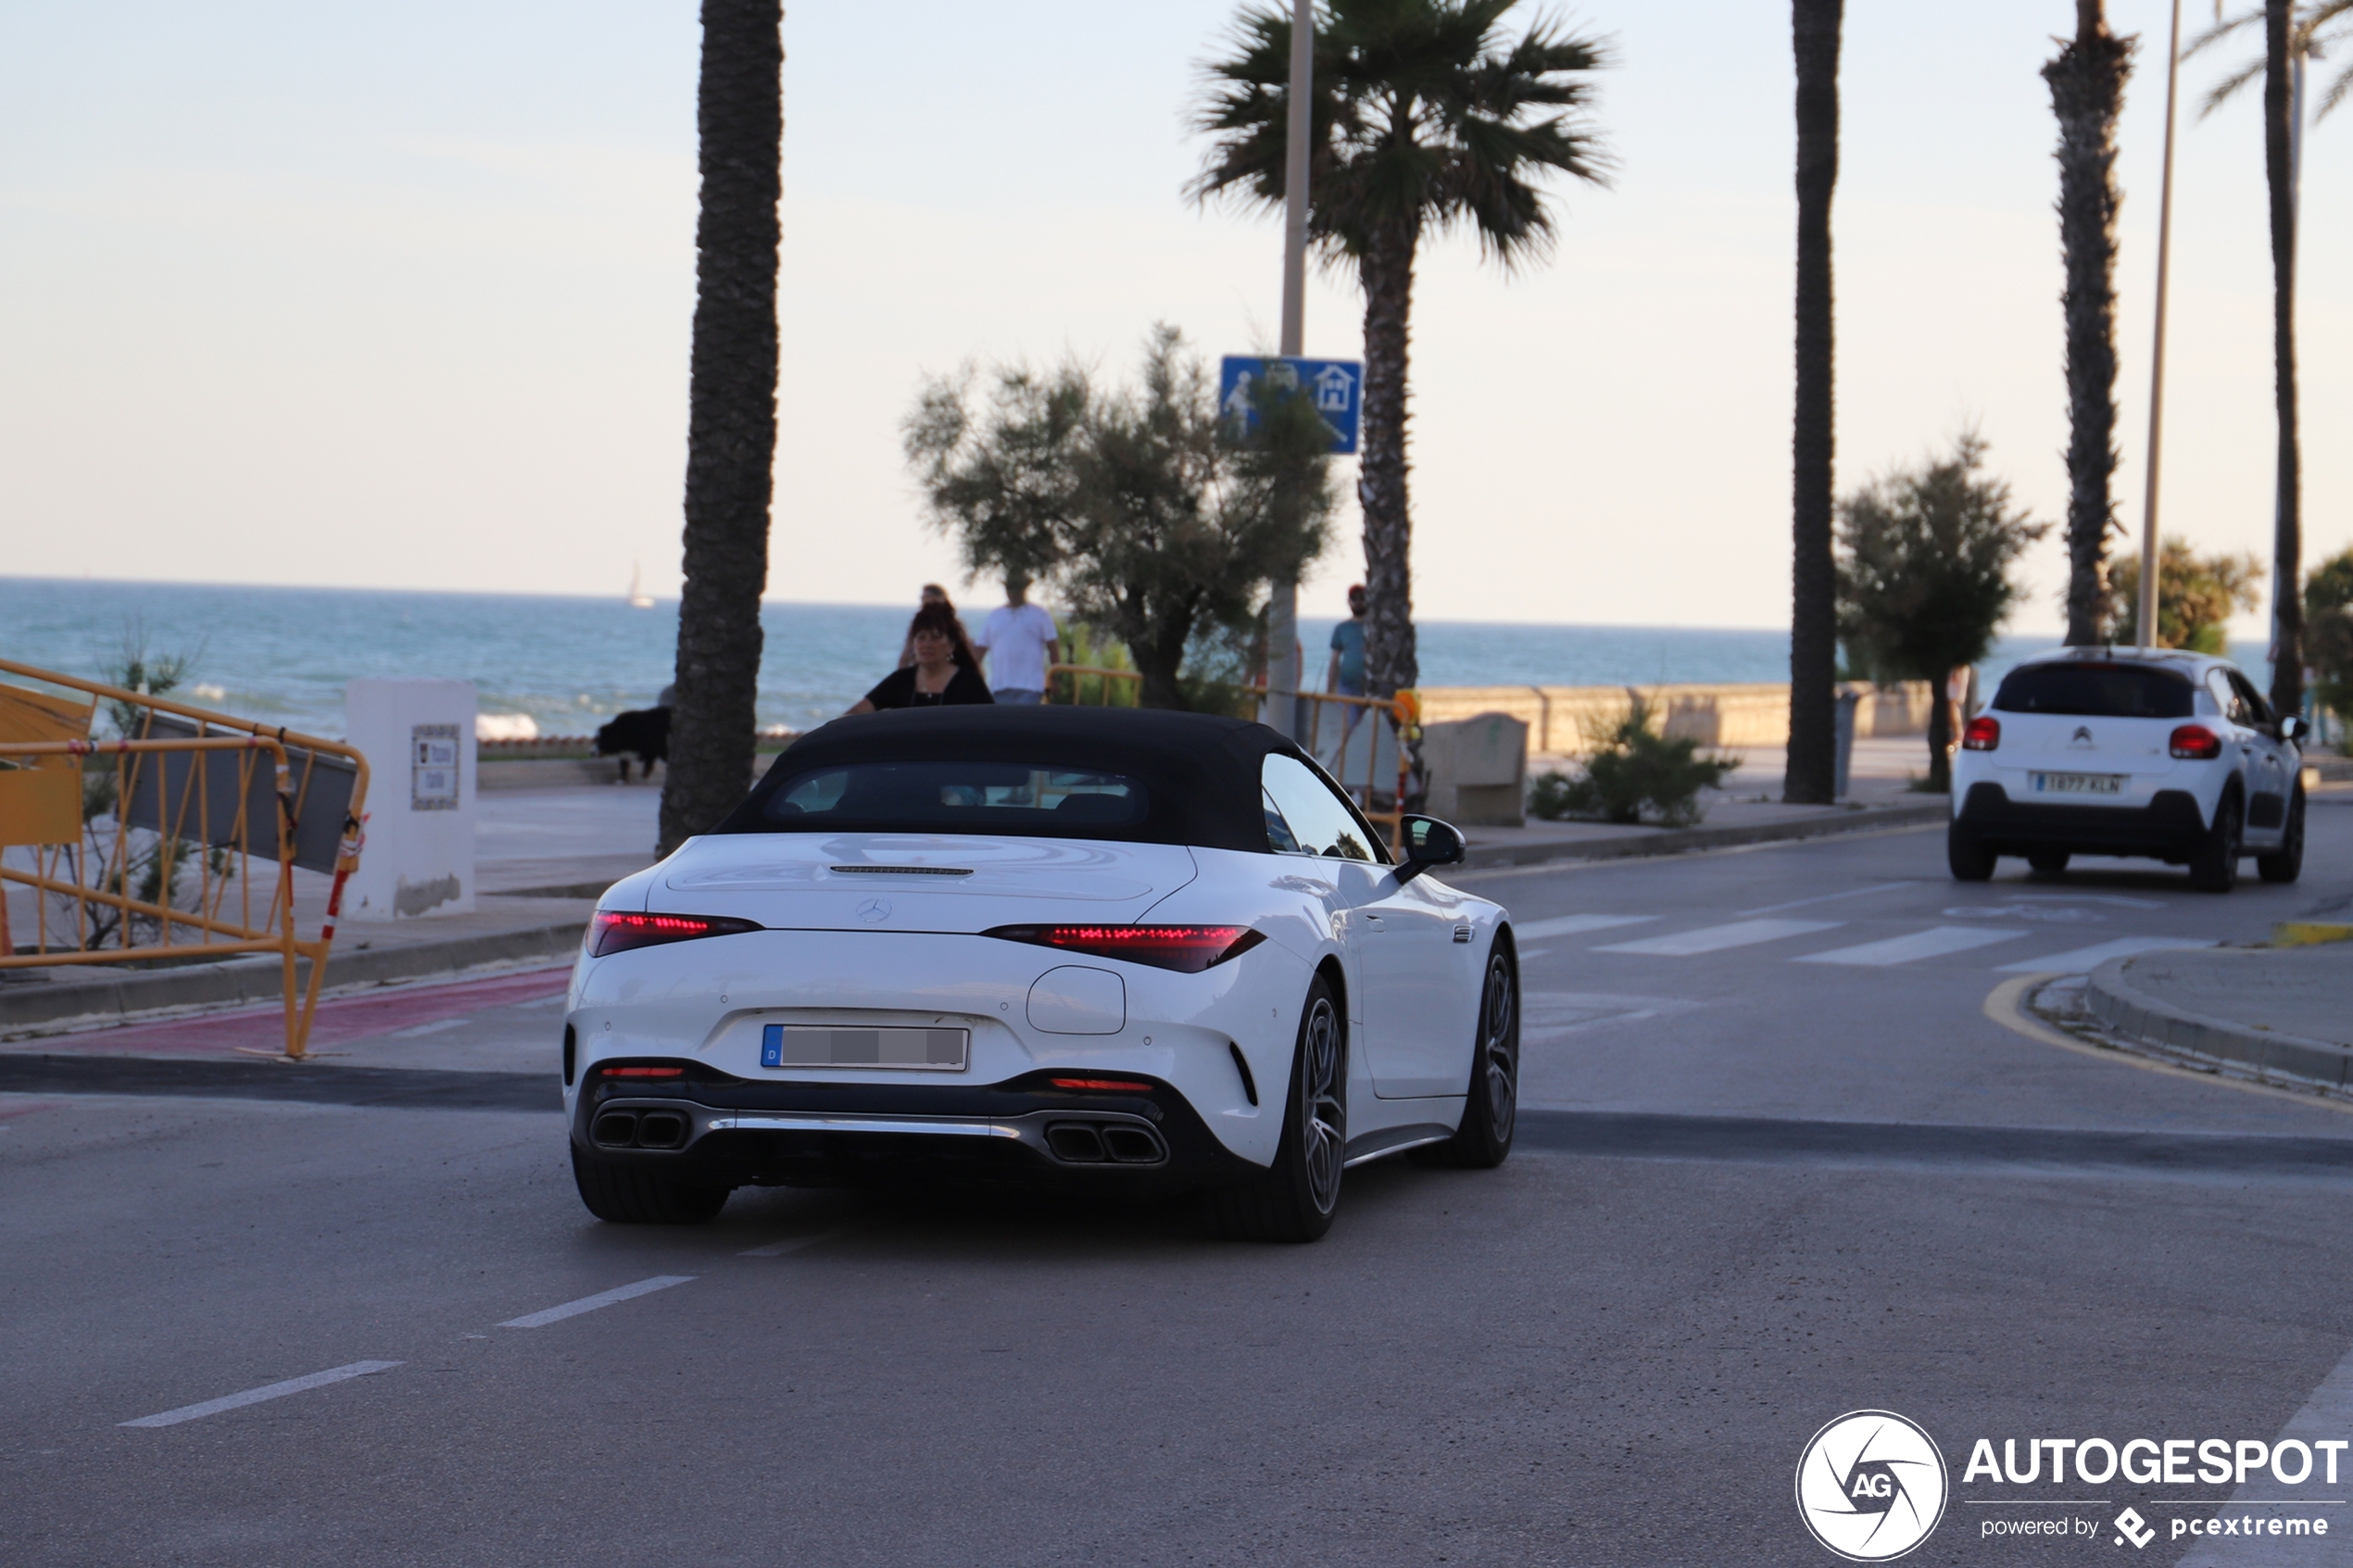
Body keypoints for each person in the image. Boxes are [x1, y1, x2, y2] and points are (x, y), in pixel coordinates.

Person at [850, 603, 993, 712]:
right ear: (913, 644)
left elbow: (990, 724)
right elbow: (856, 713)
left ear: (951, 645)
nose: (927, 645)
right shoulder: (901, 680)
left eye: (936, 637)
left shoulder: (969, 682)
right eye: (921, 638)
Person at [972, 572, 1062, 706]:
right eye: (1010, 588)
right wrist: (971, 680)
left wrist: (1054, 680)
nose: (1012, 593)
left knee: (1024, 724)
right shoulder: (995, 616)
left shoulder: (1040, 615)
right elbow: (979, 651)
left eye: (1017, 588)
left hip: (1031, 687)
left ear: (1024, 590)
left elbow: (1053, 648)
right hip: (1000, 687)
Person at [1324, 584, 1371, 746]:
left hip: (1371, 689)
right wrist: (1329, 690)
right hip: (1347, 688)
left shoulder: (1375, 628)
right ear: (1349, 602)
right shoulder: (1342, 629)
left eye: (1362, 598)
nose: (1358, 602)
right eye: (1354, 599)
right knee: (1348, 726)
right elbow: (1334, 661)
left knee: (1369, 729)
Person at [898, 584, 954, 668]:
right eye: (922, 597)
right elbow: (907, 651)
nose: (922, 600)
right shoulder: (918, 622)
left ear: (936, 598)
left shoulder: (951, 623)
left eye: (926, 596)